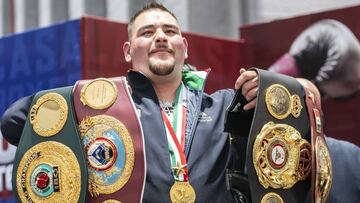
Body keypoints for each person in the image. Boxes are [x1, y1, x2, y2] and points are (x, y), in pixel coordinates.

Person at [1, 3, 259, 202]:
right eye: (147, 32)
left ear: (184, 47)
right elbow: (14, 122)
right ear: (128, 50)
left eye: (170, 31)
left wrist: (264, 90)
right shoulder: (103, 110)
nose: (160, 37)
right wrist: (81, 100)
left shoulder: (225, 106)